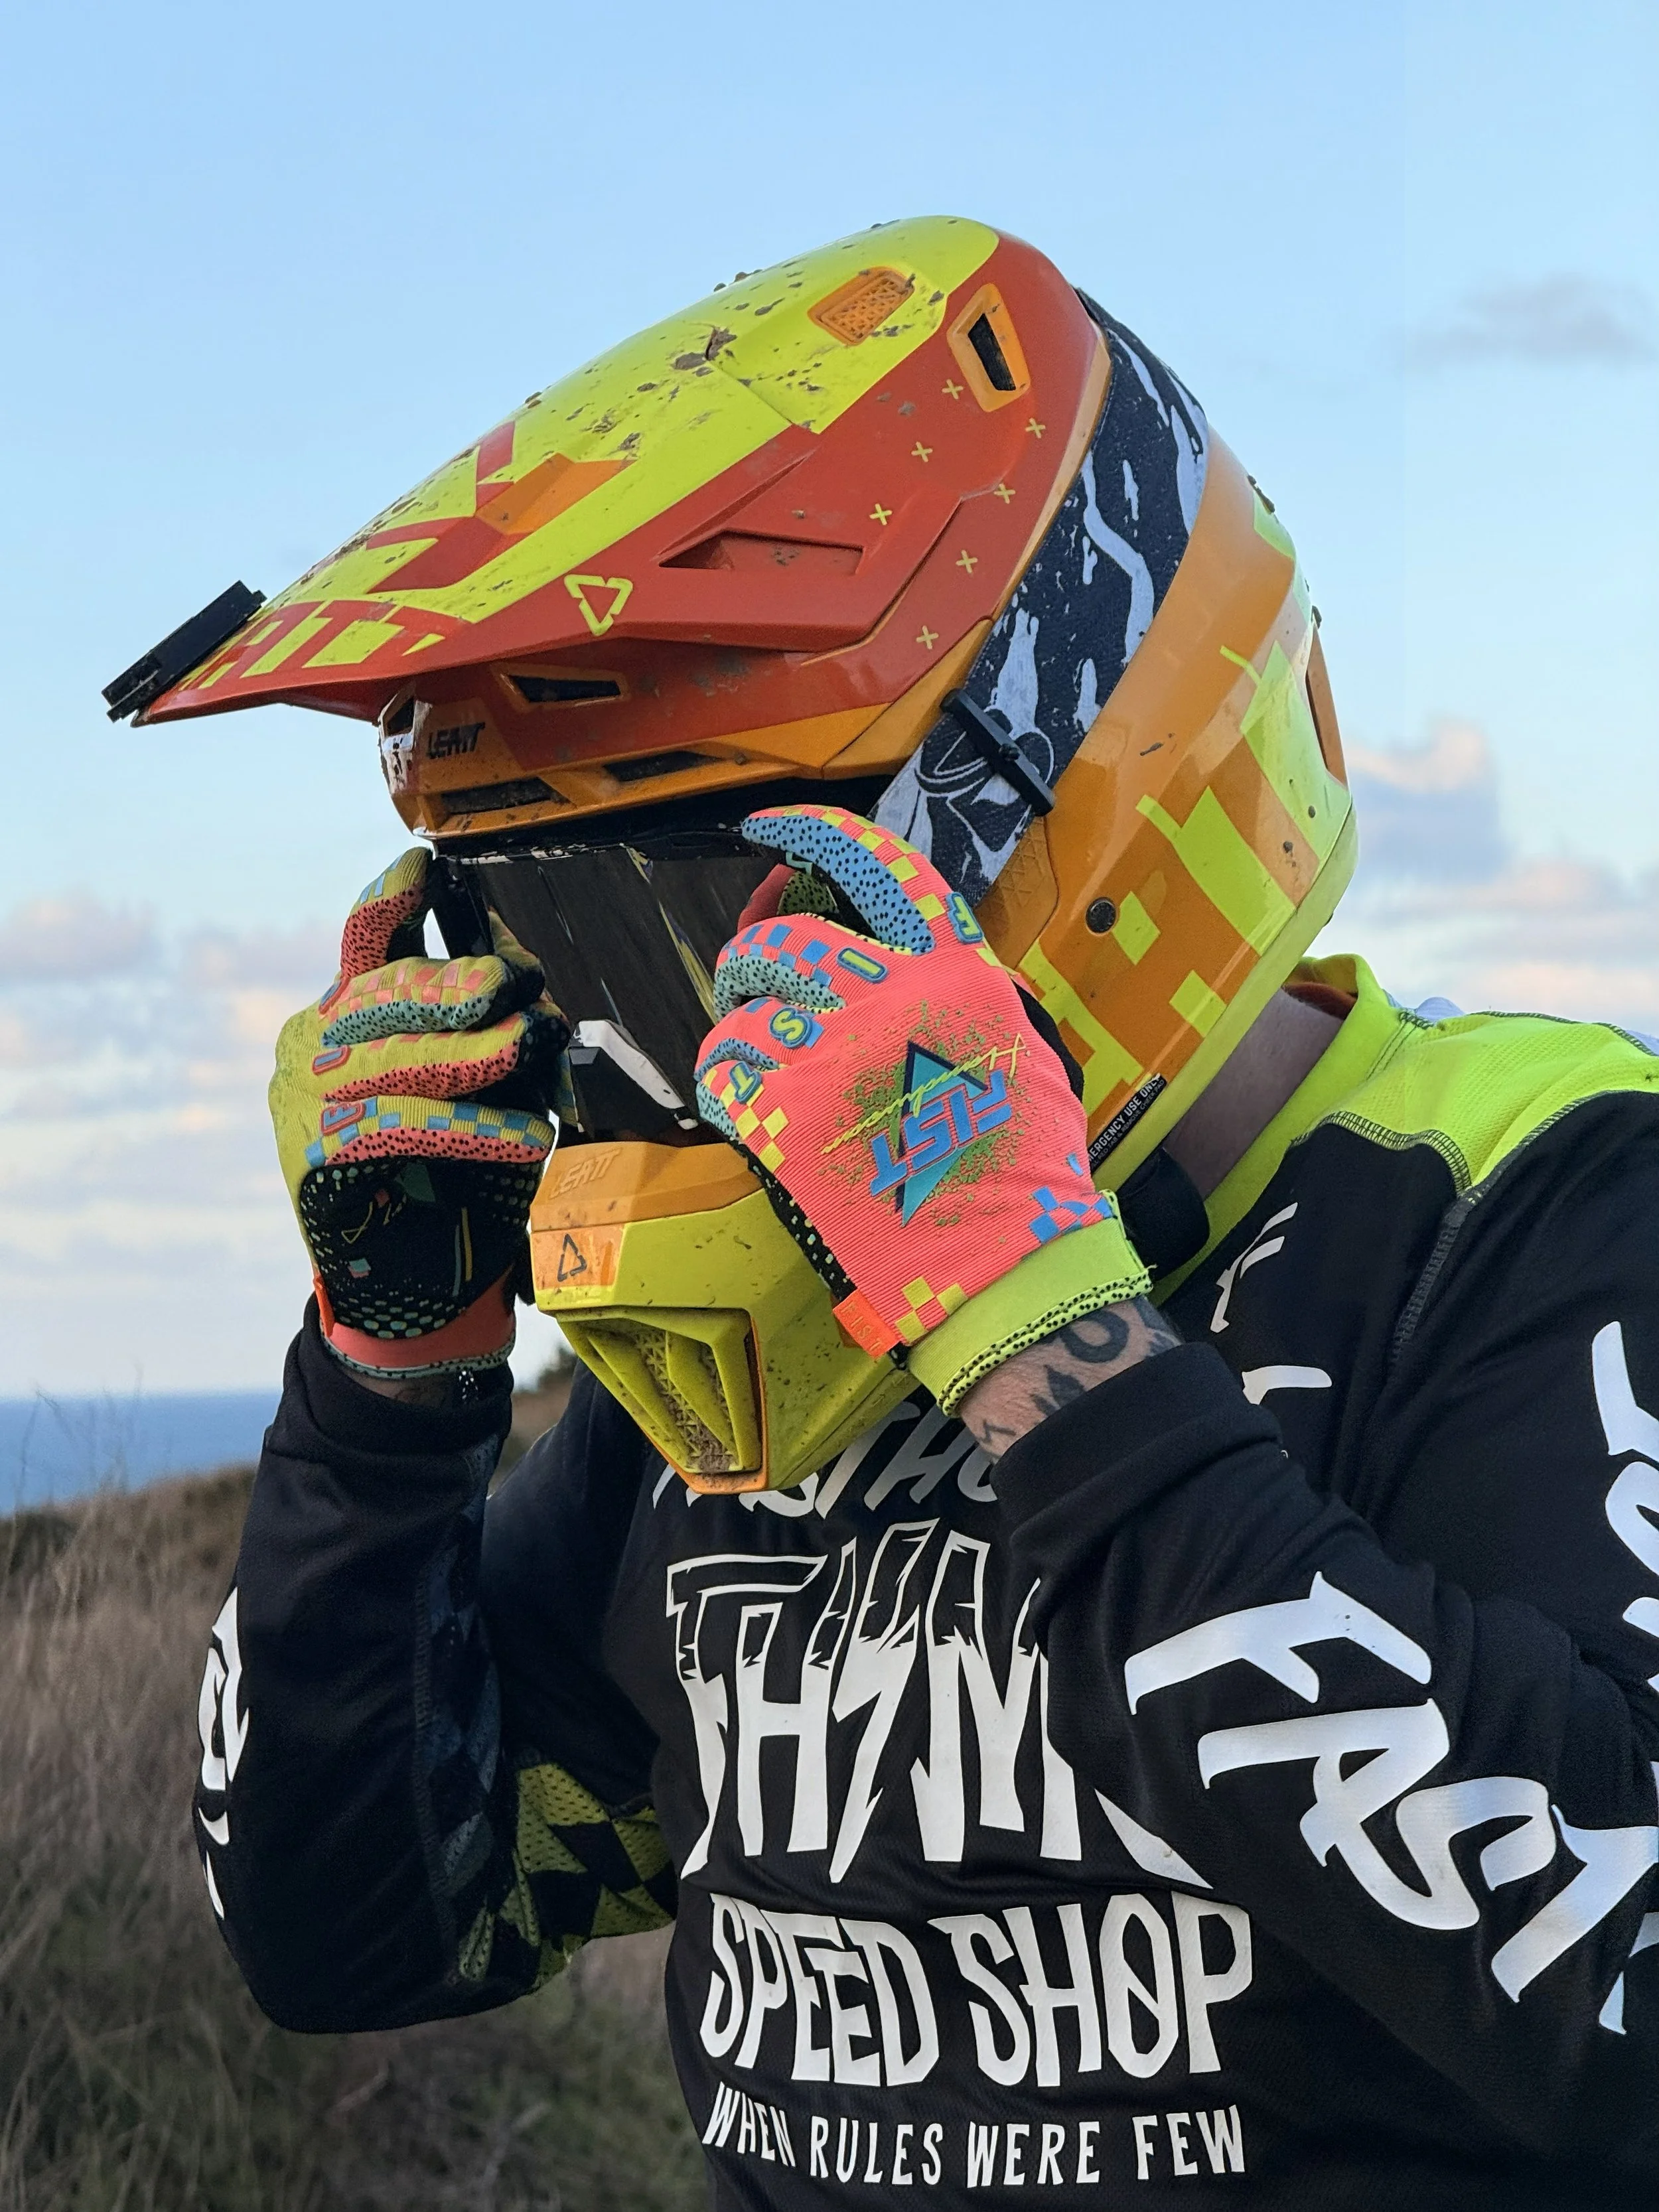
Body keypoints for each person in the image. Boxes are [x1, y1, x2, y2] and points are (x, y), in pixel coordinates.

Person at [159, 220, 1659, 2205]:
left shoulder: (1539, 1195)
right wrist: (385, 1380)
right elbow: (350, 1928)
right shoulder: (732, 1391)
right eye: (536, 945)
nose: (648, 1065)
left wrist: (1050, 1347)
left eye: (709, 931)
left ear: (1052, 810)